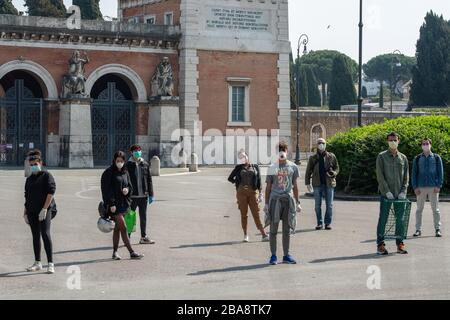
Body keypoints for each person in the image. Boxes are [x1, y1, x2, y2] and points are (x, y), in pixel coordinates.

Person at [101, 151, 144, 260]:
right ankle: (131, 252)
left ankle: (114, 253)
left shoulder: (125, 172)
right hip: (113, 207)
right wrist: (111, 203)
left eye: (121, 161)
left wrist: (127, 190)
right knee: (124, 228)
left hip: (123, 205)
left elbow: (130, 186)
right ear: (114, 161)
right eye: (117, 161)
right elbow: (106, 190)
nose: (119, 163)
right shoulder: (109, 172)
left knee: (117, 229)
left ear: (124, 161)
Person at [264, 142, 302, 265]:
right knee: (273, 230)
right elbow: (268, 187)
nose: (282, 152)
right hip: (275, 201)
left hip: (288, 201)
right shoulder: (272, 167)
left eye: (283, 149)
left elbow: (295, 186)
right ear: (277, 152)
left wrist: (298, 202)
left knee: (286, 230)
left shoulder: (293, 167)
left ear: (287, 151)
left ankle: (286, 255)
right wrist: (266, 204)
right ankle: (273, 256)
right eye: (279, 150)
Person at [375, 132, 410, 255]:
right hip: (387, 195)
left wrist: (403, 191)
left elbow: (406, 176)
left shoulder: (403, 158)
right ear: (387, 141)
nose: (393, 142)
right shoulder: (381, 157)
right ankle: (380, 245)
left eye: (395, 140)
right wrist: (387, 191)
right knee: (383, 219)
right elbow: (380, 175)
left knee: (400, 220)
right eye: (390, 140)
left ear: (399, 141)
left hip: (399, 195)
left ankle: (400, 244)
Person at [23, 150, 56, 274]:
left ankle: (50, 263)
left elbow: (50, 192)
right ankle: (37, 262)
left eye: (35, 164)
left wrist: (45, 208)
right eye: (31, 165)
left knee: (45, 234)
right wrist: (25, 212)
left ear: (40, 163)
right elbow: (27, 196)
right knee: (35, 236)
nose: (33, 167)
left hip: (44, 210)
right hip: (31, 210)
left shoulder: (47, 175)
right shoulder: (30, 178)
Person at [228, 151, 269, 242]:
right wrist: (237, 184)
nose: (243, 158)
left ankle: (263, 234)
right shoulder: (238, 168)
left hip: (253, 192)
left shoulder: (255, 167)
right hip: (241, 192)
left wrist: (261, 193)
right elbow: (230, 178)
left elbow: (259, 180)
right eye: (240, 157)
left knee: (256, 213)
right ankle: (245, 235)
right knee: (244, 214)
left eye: (244, 156)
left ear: (247, 156)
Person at [412, 138, 444, 238]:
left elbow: (440, 172)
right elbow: (414, 174)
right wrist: (415, 187)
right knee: (419, 210)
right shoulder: (417, 158)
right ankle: (418, 229)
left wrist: (439, 185)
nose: (425, 145)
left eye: (427, 143)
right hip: (420, 188)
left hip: (433, 187)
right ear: (421, 145)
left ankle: (437, 229)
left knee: (435, 209)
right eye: (423, 144)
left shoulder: (436, 157)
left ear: (431, 144)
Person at [305, 138, 340, 230]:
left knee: (330, 205)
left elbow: (337, 167)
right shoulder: (313, 158)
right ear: (317, 145)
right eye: (319, 143)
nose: (321, 144)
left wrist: (334, 173)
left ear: (325, 145)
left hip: (329, 184)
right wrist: (307, 183)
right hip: (317, 184)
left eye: (323, 143)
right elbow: (308, 171)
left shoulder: (331, 156)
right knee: (317, 205)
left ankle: (327, 223)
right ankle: (319, 223)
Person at [126, 145, 156, 244]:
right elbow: (125, 180)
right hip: (132, 197)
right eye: (135, 151)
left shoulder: (145, 164)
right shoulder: (128, 165)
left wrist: (151, 194)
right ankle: (127, 237)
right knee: (130, 217)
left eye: (139, 150)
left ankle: (143, 237)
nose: (137, 152)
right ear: (131, 153)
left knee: (143, 217)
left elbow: (149, 180)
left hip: (143, 196)